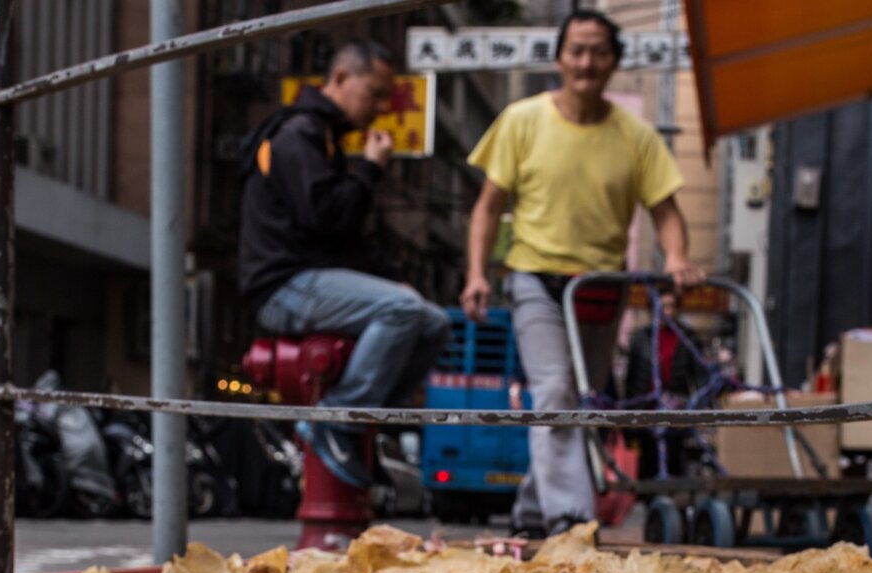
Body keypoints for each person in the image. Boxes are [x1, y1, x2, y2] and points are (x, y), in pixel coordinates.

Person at [461, 8, 700, 539]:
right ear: (560, 58)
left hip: (601, 289)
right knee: (554, 393)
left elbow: (665, 211)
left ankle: (528, 513)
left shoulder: (636, 136)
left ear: (614, 61)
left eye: (597, 51)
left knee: (577, 399)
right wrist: (477, 273)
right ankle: (570, 521)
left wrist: (677, 258)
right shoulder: (523, 120)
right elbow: (486, 206)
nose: (586, 62)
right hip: (535, 279)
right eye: (576, 50)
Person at [238, 41, 451, 484]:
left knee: (432, 322)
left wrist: (396, 282)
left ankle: (368, 419)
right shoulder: (298, 134)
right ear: (339, 79)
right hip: (282, 286)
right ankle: (337, 420)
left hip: (311, 281)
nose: (378, 107)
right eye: (373, 93)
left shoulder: (326, 141)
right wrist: (370, 170)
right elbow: (330, 219)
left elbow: (347, 240)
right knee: (402, 309)